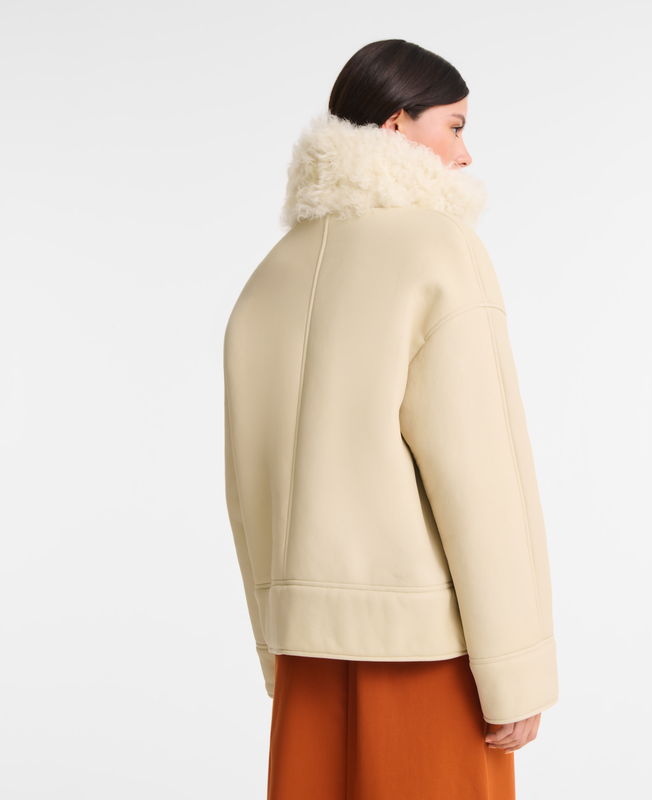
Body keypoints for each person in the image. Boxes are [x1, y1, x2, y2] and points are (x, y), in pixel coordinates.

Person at [223, 39, 558, 800]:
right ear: (398, 125)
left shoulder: (268, 277)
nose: (465, 155)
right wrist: (515, 666)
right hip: (424, 655)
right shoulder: (439, 249)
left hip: (308, 656)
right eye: (455, 126)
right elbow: (481, 472)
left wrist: (280, 641)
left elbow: (248, 485)